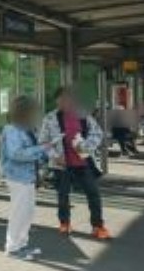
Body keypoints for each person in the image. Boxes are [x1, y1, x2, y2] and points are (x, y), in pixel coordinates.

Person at [39, 86, 111, 240]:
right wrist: (55, 156)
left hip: (83, 162)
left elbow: (97, 133)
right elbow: (43, 141)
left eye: (67, 99)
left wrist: (86, 146)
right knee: (63, 195)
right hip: (61, 164)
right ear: (57, 101)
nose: (64, 102)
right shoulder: (50, 118)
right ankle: (64, 223)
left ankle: (97, 226)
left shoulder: (83, 115)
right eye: (61, 99)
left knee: (93, 193)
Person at [0, 96, 50, 260]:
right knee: (19, 213)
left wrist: (44, 151)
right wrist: (41, 149)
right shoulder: (12, 130)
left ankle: (21, 244)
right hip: (18, 177)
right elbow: (16, 154)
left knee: (27, 212)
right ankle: (12, 248)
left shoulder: (25, 128)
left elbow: (31, 150)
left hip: (27, 176)